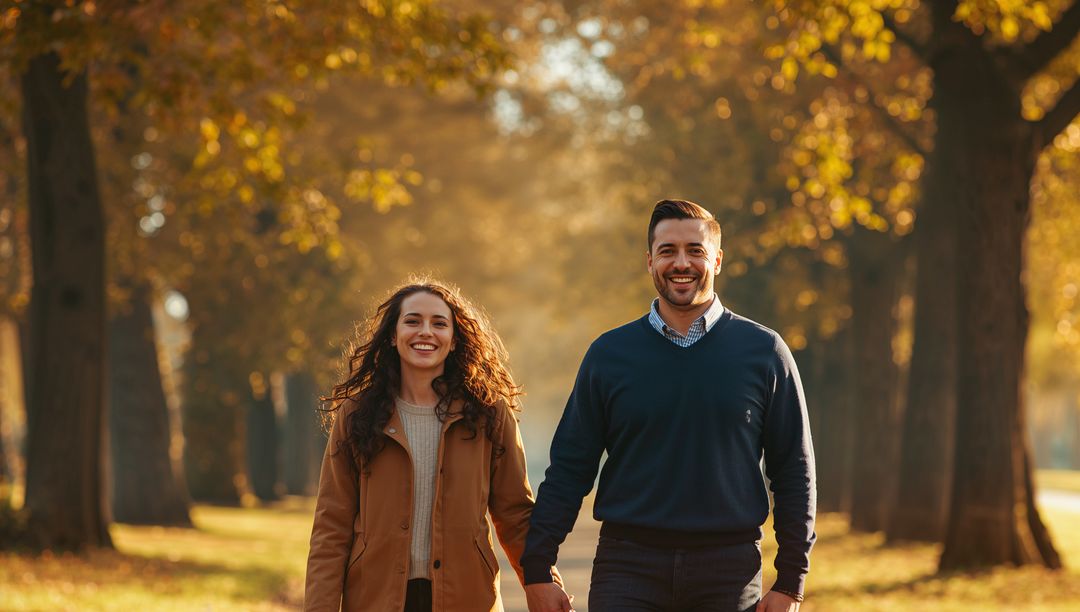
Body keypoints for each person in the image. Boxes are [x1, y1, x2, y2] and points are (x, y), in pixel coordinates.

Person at [521, 200, 816, 612]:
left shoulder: (765, 352)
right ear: (649, 261)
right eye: (668, 251)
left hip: (727, 572)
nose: (682, 263)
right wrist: (536, 568)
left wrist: (791, 581)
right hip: (627, 568)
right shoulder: (609, 354)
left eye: (695, 250)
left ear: (717, 258)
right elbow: (571, 466)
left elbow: (794, 471)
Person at [305, 279, 561, 611]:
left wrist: (543, 581)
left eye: (439, 323)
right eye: (413, 321)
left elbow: (515, 514)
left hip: (468, 599)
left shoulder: (488, 414)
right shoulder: (356, 414)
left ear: (454, 340)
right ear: (393, 336)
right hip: (375, 599)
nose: (425, 331)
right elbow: (332, 525)